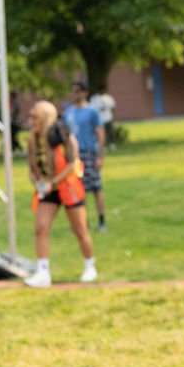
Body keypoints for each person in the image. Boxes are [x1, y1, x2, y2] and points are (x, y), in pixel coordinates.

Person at [24, 100, 97, 288]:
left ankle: (89, 265)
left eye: (35, 116)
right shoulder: (33, 139)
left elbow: (73, 162)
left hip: (67, 186)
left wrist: (54, 182)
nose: (32, 120)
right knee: (41, 228)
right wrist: (37, 182)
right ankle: (43, 271)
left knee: (80, 229)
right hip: (47, 189)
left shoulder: (61, 134)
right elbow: (32, 166)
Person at [64, 80, 107, 232]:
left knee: (96, 188)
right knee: (77, 189)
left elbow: (100, 134)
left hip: (88, 153)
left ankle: (102, 222)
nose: (74, 94)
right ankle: (82, 222)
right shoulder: (68, 112)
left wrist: (100, 156)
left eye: (77, 91)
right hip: (73, 156)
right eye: (72, 91)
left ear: (84, 93)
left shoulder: (92, 111)